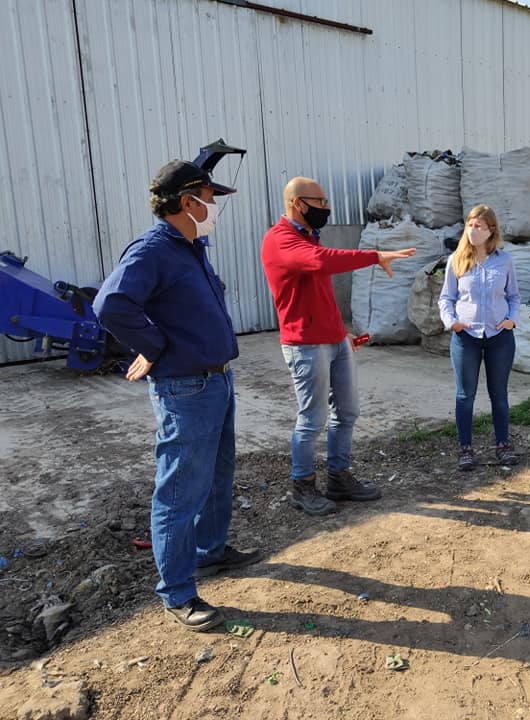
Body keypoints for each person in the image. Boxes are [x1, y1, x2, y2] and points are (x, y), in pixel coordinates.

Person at [93, 159, 262, 632]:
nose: (215, 208)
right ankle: (177, 592)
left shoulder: (191, 248)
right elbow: (110, 304)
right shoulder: (153, 250)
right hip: (186, 387)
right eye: (210, 199)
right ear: (187, 202)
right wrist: (153, 346)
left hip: (216, 380)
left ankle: (211, 551)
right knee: (181, 489)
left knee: (217, 476)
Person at [261, 177, 416, 516]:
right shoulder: (281, 239)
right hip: (305, 345)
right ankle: (302, 485)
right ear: (297, 203)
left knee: (346, 412)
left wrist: (340, 331)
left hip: (333, 340)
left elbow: (321, 293)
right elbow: (321, 261)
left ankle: (339, 477)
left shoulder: (309, 236)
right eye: (320, 201)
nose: (326, 207)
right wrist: (374, 256)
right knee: (312, 419)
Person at [438, 204, 521, 471]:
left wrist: (511, 319)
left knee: (499, 394)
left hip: (499, 336)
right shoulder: (457, 260)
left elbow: (514, 296)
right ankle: (465, 448)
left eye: (479, 226)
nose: (473, 230)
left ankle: (503, 445)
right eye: (470, 225)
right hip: (467, 337)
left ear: (491, 230)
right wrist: (452, 322)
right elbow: (446, 298)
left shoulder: (504, 261)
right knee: (465, 395)